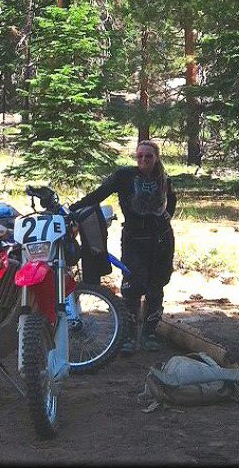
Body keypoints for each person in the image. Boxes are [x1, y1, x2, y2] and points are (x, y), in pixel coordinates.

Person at [71, 139, 176, 354]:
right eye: (140, 156)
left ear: (156, 158)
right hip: (134, 240)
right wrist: (74, 209)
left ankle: (149, 334)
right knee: (132, 285)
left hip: (161, 239)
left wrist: (168, 215)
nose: (144, 160)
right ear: (136, 157)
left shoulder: (164, 178)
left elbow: (172, 199)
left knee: (156, 286)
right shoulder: (124, 176)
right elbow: (99, 194)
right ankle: (127, 336)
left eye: (149, 156)